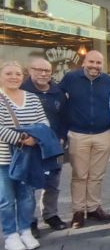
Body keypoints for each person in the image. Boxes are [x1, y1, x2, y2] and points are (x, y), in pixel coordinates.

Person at [59, 50, 110, 229]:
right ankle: (77, 211)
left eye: (98, 63)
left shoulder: (108, 81)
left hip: (103, 134)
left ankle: (93, 208)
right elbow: (58, 101)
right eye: (91, 62)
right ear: (84, 62)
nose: (94, 66)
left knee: (97, 175)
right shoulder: (71, 79)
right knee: (79, 175)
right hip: (78, 134)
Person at [0, 61, 46, 250]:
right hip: (4, 159)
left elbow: (44, 122)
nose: (13, 77)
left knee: (27, 197)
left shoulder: (32, 98)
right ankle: (10, 235)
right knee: (6, 199)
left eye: (17, 74)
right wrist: (21, 138)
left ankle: (25, 230)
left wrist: (35, 138)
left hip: (28, 157)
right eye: (9, 73)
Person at [21, 58, 68, 234]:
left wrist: (62, 136)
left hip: (54, 146)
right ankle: (29, 221)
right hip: (30, 147)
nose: (43, 74)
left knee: (53, 183)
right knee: (29, 185)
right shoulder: (22, 90)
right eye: (38, 70)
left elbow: (65, 117)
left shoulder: (58, 92)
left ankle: (50, 215)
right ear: (30, 70)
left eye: (47, 71)